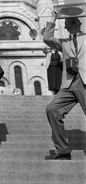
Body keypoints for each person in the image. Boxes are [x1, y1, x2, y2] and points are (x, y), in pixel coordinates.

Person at [43, 13, 86, 160]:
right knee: (52, 109)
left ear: (80, 23)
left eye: (75, 21)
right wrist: (53, 19)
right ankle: (62, 150)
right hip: (69, 83)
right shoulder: (64, 42)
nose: (72, 23)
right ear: (65, 26)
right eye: (69, 22)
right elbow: (47, 38)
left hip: (84, 81)